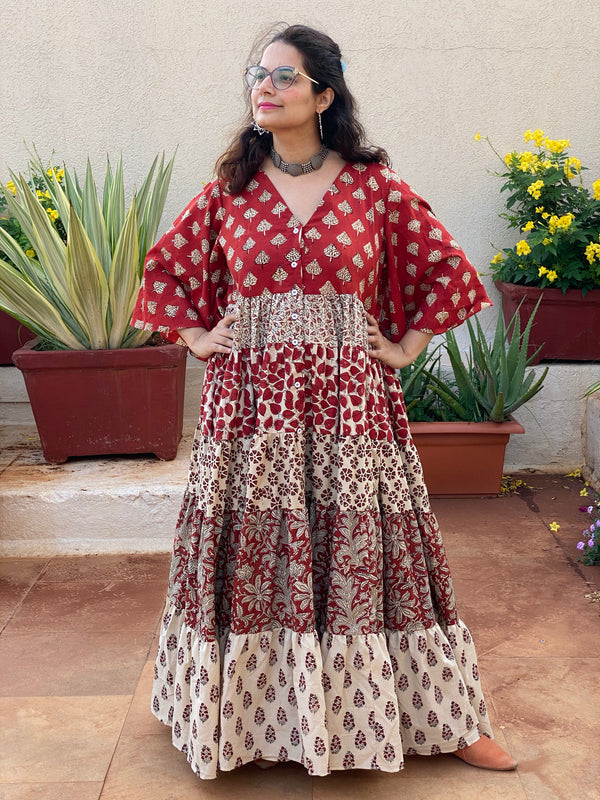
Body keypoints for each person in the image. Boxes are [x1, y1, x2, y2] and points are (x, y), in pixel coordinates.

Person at [132, 23, 518, 780]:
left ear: (324, 95)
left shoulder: (373, 185)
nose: (264, 87)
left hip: (352, 407)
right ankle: (236, 717)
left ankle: (446, 715)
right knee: (255, 557)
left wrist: (405, 347)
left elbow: (447, 269)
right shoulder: (230, 190)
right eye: (256, 74)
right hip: (251, 412)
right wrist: (197, 336)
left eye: (283, 76)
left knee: (383, 557)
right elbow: (165, 272)